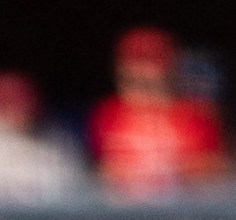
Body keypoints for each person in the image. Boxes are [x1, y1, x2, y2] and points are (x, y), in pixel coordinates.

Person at [90, 28, 225, 198]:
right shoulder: (106, 113)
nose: (141, 70)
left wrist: (161, 174)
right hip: (123, 212)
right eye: (135, 61)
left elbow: (212, 169)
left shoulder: (196, 113)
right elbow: (102, 170)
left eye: (151, 60)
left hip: (183, 211)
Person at [0, 73, 82, 203]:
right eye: (5, 100)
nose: (18, 107)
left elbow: (74, 185)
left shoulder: (57, 136)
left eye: (22, 99)